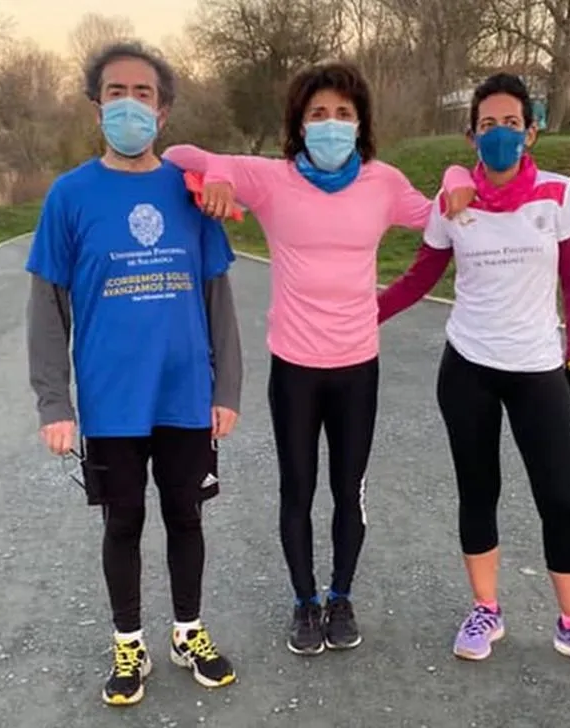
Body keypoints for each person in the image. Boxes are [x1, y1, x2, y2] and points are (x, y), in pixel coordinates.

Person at [162, 61, 475, 657]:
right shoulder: (272, 179)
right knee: (298, 489)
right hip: (296, 368)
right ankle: (305, 601)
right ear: (300, 124)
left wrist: (458, 172)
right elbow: (179, 154)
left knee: (348, 489)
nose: (331, 124)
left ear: (360, 124)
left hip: (357, 366)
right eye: (318, 114)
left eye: (343, 114)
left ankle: (341, 596)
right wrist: (221, 174)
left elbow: (442, 210)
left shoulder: (382, 183)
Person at [377, 72, 570, 678]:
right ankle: (485, 610)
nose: (499, 134)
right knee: (478, 492)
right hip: (468, 368)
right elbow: (420, 276)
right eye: (487, 125)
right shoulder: (453, 203)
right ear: (471, 136)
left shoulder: (559, 194)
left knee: (562, 499)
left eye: (511, 123)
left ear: (531, 132)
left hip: (538, 369)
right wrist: (362, 315)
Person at [25, 41, 242, 707]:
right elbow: (47, 306)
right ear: (97, 107)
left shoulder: (189, 192)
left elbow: (217, 297)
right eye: (115, 93)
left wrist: (226, 388)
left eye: (142, 94)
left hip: (184, 394)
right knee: (122, 524)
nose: (128, 105)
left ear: (163, 110)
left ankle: (187, 632)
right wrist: (54, 403)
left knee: (186, 518)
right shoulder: (69, 196)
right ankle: (129, 642)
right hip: (112, 400)